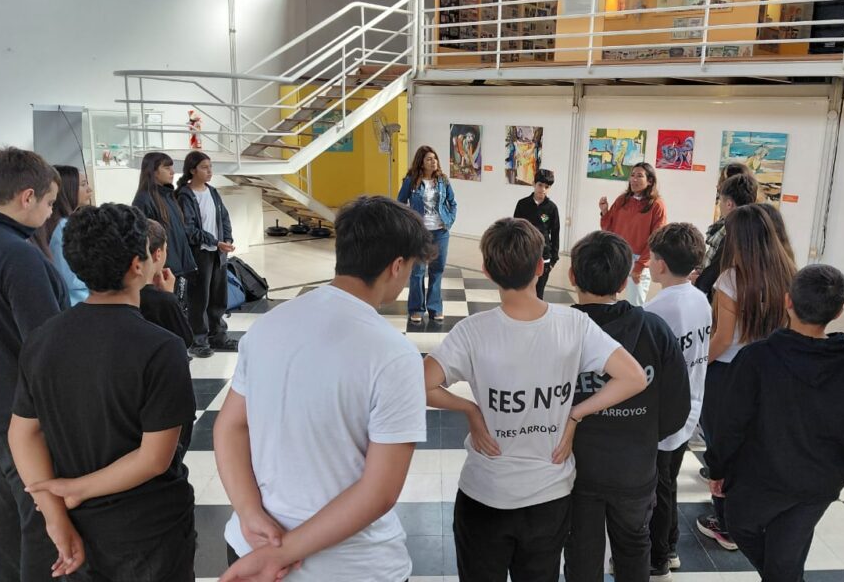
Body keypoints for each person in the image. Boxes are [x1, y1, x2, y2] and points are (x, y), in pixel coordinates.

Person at [215, 196, 435, 581]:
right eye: (412, 268)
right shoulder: (394, 355)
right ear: (396, 266)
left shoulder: (268, 325)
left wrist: (250, 514)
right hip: (348, 566)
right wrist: (282, 555)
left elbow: (230, 427)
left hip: (250, 546)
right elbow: (378, 493)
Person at [423, 218, 648, 582]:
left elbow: (422, 384)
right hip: (549, 494)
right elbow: (634, 377)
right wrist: (576, 414)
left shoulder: (472, 332)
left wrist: (470, 409)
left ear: (487, 271)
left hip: (485, 494)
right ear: (542, 267)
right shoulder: (573, 325)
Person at [9, 203, 197, 581]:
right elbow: (154, 459)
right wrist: (74, 490)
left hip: (77, 525)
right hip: (148, 528)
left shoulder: (43, 338)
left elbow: (23, 432)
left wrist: (55, 515)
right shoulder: (160, 347)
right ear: (136, 264)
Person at [705, 264, 844, 581]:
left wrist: (718, 468)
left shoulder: (756, 358)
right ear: (839, 312)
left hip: (760, 479)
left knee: (744, 530)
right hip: (819, 481)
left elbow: (730, 423)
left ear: (787, 301)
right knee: (785, 557)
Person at [563, 230, 689, 582]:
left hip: (577, 468)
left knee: (581, 551)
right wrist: (644, 432)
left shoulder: (559, 330)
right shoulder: (654, 329)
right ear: (623, 281)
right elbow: (677, 408)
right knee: (634, 547)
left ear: (573, 276)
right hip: (635, 467)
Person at [0, 146, 66, 581]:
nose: (51, 213)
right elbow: (45, 346)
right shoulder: (17, 254)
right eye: (51, 203)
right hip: (22, 420)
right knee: (40, 524)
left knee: (6, 520)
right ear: (27, 196)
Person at [698, 204, 797, 551]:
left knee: (721, 446)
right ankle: (754, 517)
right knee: (755, 444)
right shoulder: (788, 272)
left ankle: (725, 523)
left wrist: (696, 364)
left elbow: (723, 338)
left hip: (728, 372)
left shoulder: (731, 278)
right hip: (773, 369)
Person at [644, 223, 713, 579]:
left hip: (665, 413)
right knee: (667, 480)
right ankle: (669, 545)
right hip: (690, 406)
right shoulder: (699, 298)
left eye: (651, 257)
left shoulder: (658, 309)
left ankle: (660, 554)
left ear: (659, 264)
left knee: (659, 487)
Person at [176, 150, 238, 357]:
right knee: (199, 299)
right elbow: (189, 230)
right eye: (204, 167)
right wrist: (214, 242)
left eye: (210, 167)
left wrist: (227, 239)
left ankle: (218, 336)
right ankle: (199, 341)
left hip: (218, 253)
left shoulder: (212, 192)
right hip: (200, 254)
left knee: (219, 297)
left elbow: (224, 218)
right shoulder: (185, 195)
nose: (209, 171)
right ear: (192, 170)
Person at [397, 145, 457, 324]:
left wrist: (450, 220)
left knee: (437, 270)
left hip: (440, 231)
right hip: (419, 233)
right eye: (429, 159)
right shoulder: (411, 181)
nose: (434, 162)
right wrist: (409, 224)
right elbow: (400, 203)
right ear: (421, 163)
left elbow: (452, 202)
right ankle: (416, 309)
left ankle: (435, 308)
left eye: (435, 158)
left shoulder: (443, 181)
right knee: (417, 271)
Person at [132, 151, 198, 307]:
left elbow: (178, 235)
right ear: (153, 171)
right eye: (167, 168)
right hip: (164, 271)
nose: (172, 172)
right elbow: (145, 240)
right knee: (170, 314)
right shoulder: (144, 200)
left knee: (181, 312)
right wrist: (156, 270)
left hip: (179, 269)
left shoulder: (169, 196)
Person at [598, 162, 667, 306]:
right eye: (632, 175)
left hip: (639, 259)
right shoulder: (622, 200)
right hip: (617, 255)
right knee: (606, 299)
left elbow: (657, 239)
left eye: (639, 176)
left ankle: (634, 328)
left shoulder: (656, 205)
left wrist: (640, 265)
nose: (634, 179)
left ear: (650, 181)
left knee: (635, 303)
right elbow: (608, 228)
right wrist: (604, 211)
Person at [31, 165, 93, 305]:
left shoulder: (57, 223)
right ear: (67, 189)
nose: (89, 189)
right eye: (83, 185)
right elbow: (70, 277)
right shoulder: (63, 226)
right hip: (76, 301)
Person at [694, 173, 757, 300]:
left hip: (723, 297)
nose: (719, 204)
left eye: (720, 200)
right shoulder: (757, 225)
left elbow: (717, 267)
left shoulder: (732, 231)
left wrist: (699, 283)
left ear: (729, 204)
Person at [141, 219, 195, 348]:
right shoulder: (163, 301)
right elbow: (185, 339)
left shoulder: (121, 293)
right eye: (166, 249)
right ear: (158, 254)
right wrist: (170, 296)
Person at [513, 168, 560, 299]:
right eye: (540, 185)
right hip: (525, 256)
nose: (543, 189)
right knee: (523, 292)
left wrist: (553, 260)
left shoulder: (552, 208)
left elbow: (555, 234)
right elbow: (515, 230)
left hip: (544, 258)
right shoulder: (522, 204)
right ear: (534, 184)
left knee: (539, 295)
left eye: (547, 186)